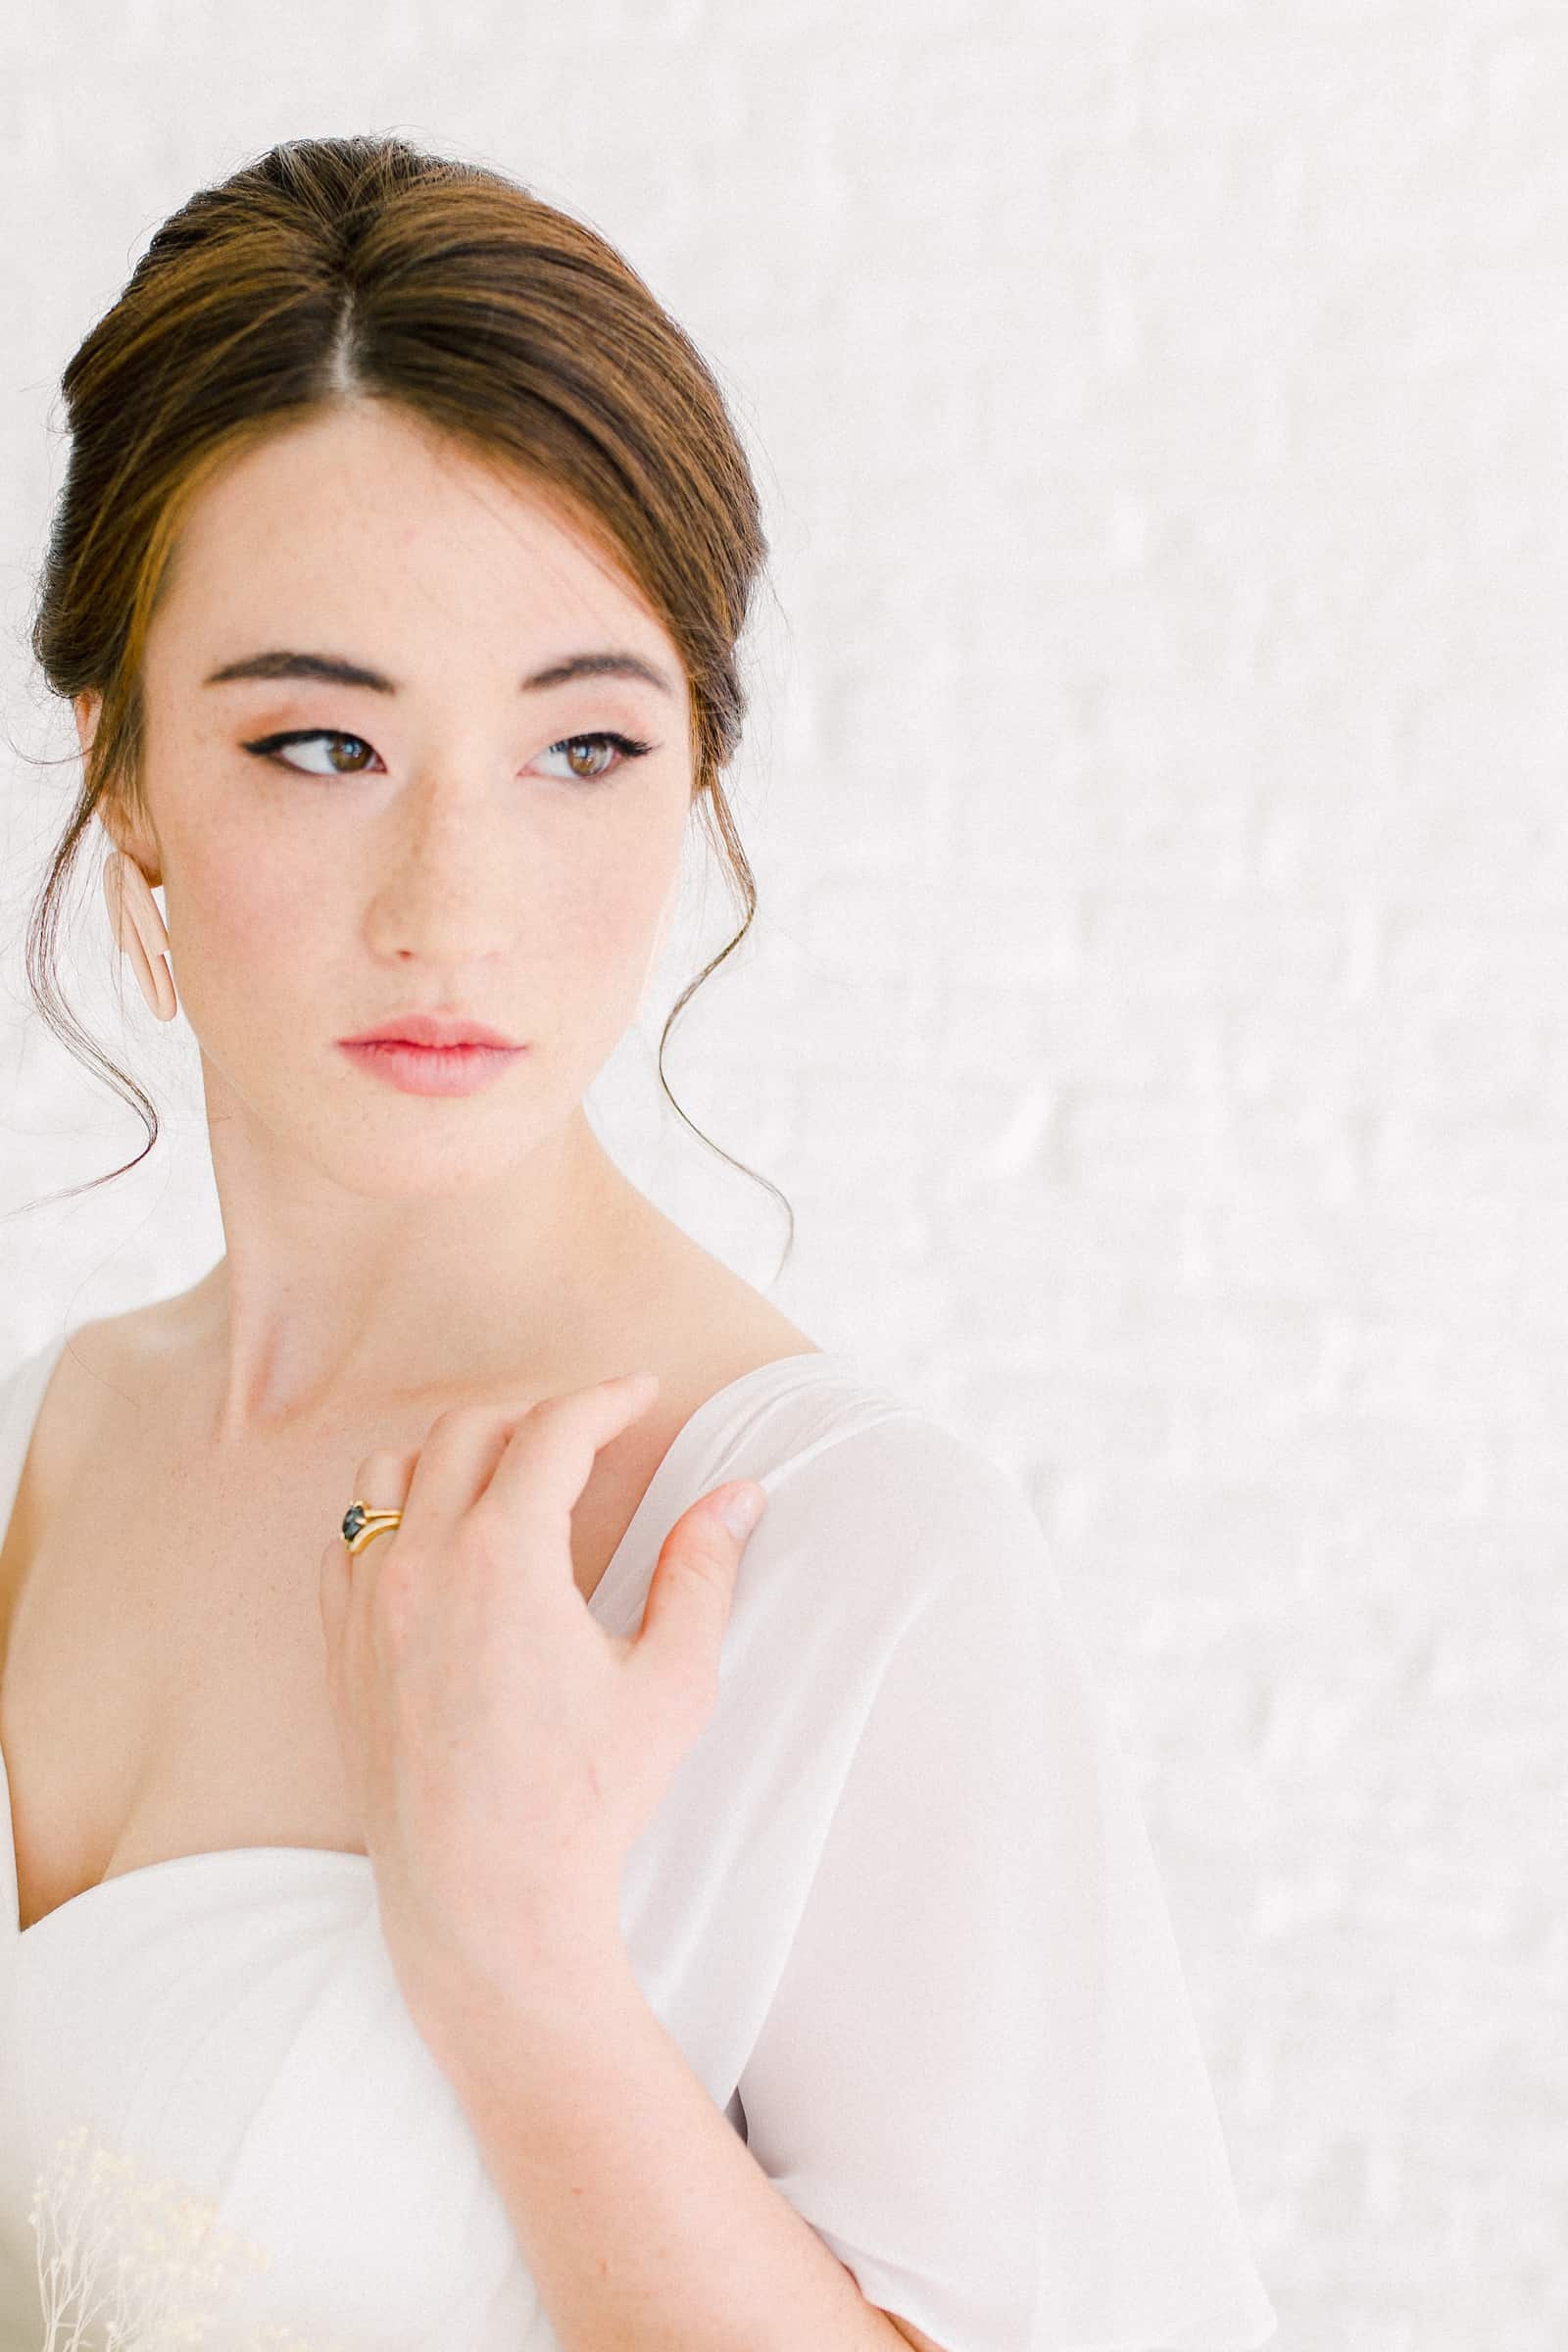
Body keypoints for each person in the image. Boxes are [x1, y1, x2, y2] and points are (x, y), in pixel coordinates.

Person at [0, 133, 1278, 2351]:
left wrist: (514, 1967)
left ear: (692, 778)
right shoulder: (52, 1438)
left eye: (580, 746)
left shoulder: (840, 1561)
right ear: (119, 773)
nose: (449, 906)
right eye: (318, 742)